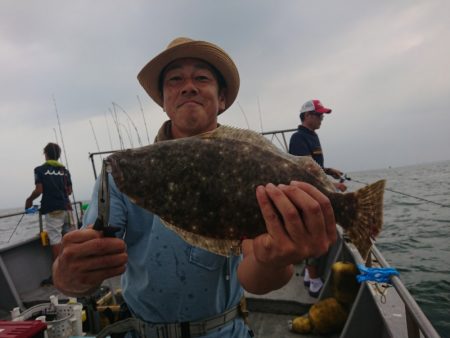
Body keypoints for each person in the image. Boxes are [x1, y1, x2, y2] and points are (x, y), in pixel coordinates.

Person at [53, 37, 337, 338]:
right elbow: (87, 267)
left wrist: (275, 258)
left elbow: (256, 276)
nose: (188, 86)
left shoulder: (254, 163)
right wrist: (67, 274)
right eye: (175, 80)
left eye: (202, 78)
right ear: (163, 101)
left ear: (222, 98)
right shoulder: (122, 173)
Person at [288, 99, 346, 297]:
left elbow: (315, 167)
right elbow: (304, 172)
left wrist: (329, 171)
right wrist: (333, 187)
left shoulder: (313, 136)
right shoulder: (298, 138)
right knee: (312, 234)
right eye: (318, 114)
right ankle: (313, 280)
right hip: (307, 195)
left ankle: (308, 274)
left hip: (318, 192)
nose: (322, 118)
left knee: (317, 233)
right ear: (306, 116)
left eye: (322, 115)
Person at [25, 142, 73, 285]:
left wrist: (29, 200)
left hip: (53, 211)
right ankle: (73, 270)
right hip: (67, 209)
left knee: (55, 240)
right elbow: (69, 191)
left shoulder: (39, 170)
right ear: (58, 155)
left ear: (45, 154)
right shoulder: (65, 170)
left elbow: (39, 190)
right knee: (69, 238)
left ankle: (59, 275)